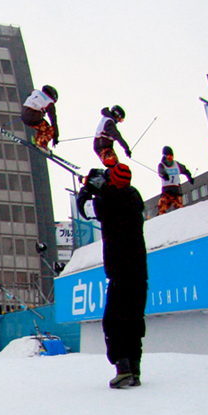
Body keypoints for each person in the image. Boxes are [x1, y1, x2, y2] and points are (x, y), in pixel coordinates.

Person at [78, 162, 148, 387]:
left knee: (114, 321)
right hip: (139, 271)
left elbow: (85, 209)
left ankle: (123, 369)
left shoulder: (104, 201)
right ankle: (134, 370)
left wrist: (87, 190)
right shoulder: (135, 198)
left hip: (120, 271)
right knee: (134, 320)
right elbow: (118, 192)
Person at [156, 147, 195, 215]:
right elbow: (161, 172)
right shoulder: (162, 165)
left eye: (171, 158)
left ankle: (182, 217)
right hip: (167, 190)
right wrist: (164, 175)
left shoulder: (176, 164)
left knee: (179, 205)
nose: (170, 160)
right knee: (162, 205)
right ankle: (161, 218)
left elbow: (185, 170)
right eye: (169, 158)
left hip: (176, 189)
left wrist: (189, 177)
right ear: (165, 157)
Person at [20, 85, 60, 149]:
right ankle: (41, 144)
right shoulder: (50, 102)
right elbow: (53, 120)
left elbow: (29, 94)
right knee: (49, 129)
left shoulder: (36, 92)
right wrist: (55, 136)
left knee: (43, 129)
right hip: (33, 117)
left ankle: (38, 141)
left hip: (24, 115)